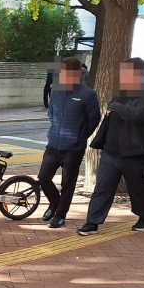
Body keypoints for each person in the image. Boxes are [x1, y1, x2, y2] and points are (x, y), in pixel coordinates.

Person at [77, 57, 144, 236]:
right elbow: (110, 120)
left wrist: (116, 107)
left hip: (136, 152)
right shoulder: (120, 94)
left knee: (137, 188)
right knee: (102, 187)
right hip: (112, 152)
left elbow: (137, 116)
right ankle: (92, 222)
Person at [38, 56, 101, 228]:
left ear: (78, 73)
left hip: (73, 148)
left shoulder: (88, 94)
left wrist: (79, 135)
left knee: (68, 183)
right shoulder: (57, 90)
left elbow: (94, 119)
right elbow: (52, 112)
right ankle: (54, 203)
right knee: (43, 178)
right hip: (53, 145)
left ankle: (60, 215)